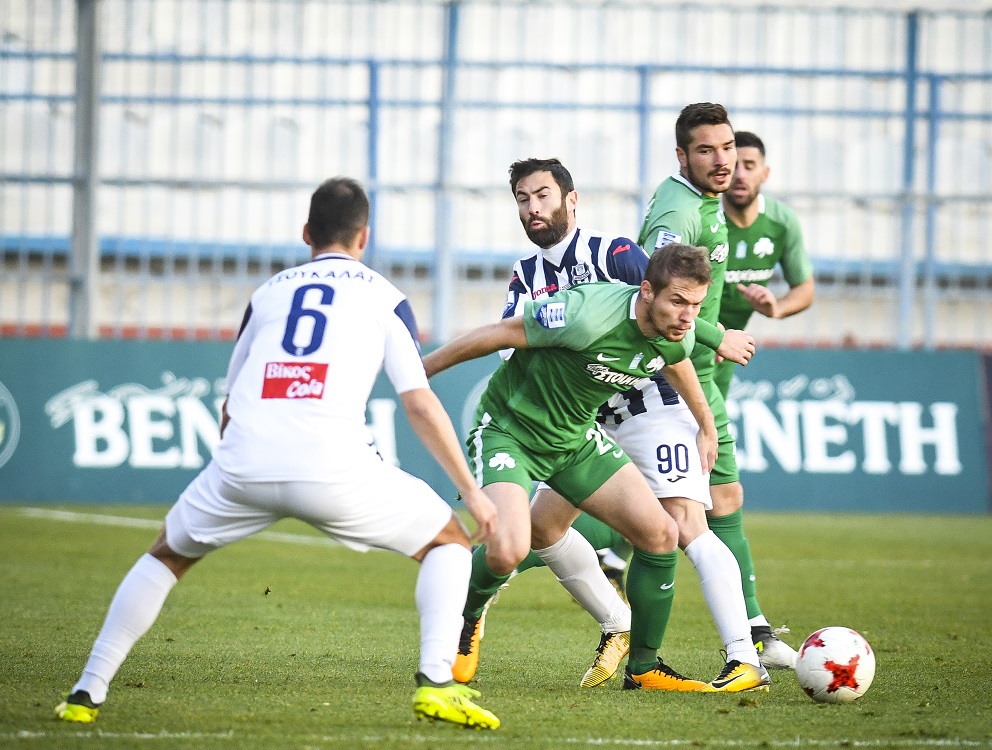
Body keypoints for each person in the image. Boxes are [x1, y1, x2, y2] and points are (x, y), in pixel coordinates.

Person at [54, 177, 501, 730]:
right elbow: (418, 402)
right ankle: (436, 683)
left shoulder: (268, 293)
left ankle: (85, 692)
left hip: (244, 460)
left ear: (306, 234)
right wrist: (474, 493)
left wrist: (238, 471)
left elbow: (228, 405)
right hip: (336, 468)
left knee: (166, 555)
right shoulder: (383, 296)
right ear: (364, 237)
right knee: (448, 542)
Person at [455, 158, 767, 693]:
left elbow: (675, 304)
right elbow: (511, 338)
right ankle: (613, 621)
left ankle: (744, 654)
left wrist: (709, 386)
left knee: (682, 524)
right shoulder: (526, 273)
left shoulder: (614, 253)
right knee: (544, 529)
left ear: (571, 200)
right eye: (524, 199)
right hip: (587, 414)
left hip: (649, 404)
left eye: (544, 196)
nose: (535, 207)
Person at [638, 103, 798, 669]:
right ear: (682, 156)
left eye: (727, 147)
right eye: (706, 150)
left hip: (694, 365)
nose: (723, 160)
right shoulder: (679, 210)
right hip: (676, 371)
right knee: (697, 509)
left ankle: (752, 632)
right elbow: (648, 281)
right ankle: (751, 639)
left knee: (701, 504)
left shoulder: (707, 202)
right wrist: (717, 333)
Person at [716, 130, 815, 398]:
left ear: (765, 173)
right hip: (690, 341)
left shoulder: (781, 222)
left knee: (710, 429)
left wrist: (777, 308)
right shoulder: (705, 219)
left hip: (729, 350)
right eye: (734, 165)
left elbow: (805, 289)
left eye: (749, 166)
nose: (740, 175)